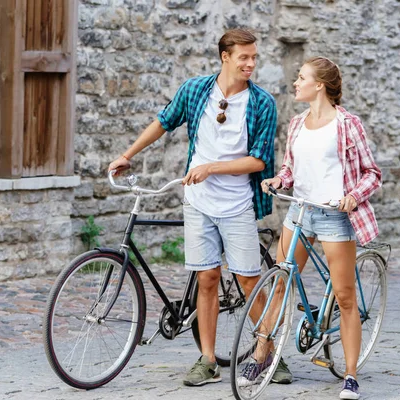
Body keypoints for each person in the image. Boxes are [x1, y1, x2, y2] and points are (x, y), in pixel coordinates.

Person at [107, 29, 287, 387]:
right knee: (207, 279)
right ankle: (207, 360)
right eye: (244, 57)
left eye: (254, 57)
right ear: (225, 57)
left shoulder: (262, 103)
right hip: (199, 203)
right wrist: (127, 155)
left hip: (238, 203)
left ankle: (270, 349)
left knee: (249, 280)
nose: (251, 63)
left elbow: (259, 161)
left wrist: (211, 167)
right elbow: (163, 121)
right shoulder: (195, 90)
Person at [258, 57, 382, 399]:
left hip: (334, 216)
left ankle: (351, 376)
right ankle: (260, 353)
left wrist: (353, 197)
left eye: (301, 78)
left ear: (320, 86)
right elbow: (290, 170)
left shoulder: (347, 124)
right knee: (281, 281)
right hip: (299, 211)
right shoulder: (296, 123)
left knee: (345, 297)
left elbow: (372, 173)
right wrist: (277, 180)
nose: (295, 83)